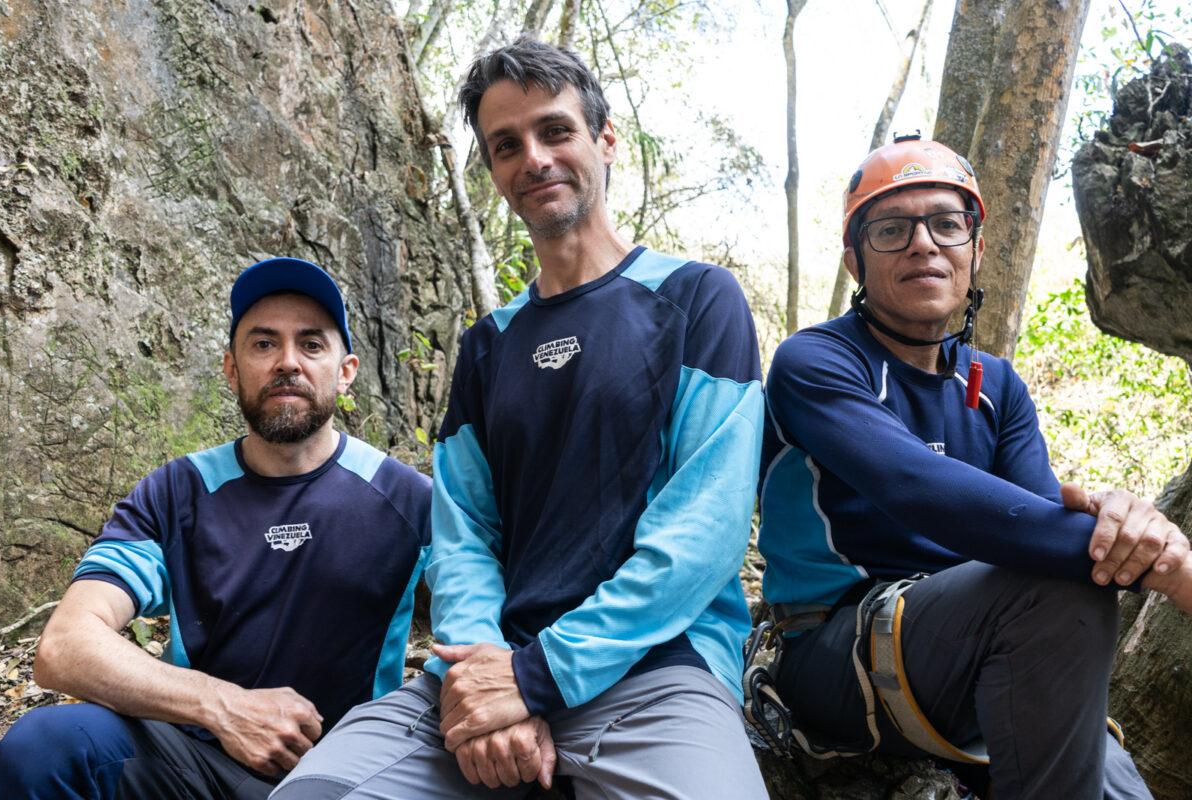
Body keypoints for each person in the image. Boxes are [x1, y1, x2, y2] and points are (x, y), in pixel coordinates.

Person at [271, 36, 768, 799]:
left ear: (605, 139)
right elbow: (463, 531)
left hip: (657, 673)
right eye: (506, 145)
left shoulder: (698, 300)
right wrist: (483, 678)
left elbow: (704, 530)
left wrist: (538, 679)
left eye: (555, 131)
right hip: (486, 672)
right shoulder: (488, 346)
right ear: (495, 171)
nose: (533, 158)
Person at [751, 132, 1192, 799]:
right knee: (1062, 587)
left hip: (972, 644)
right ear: (854, 260)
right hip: (828, 648)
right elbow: (920, 490)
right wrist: (1168, 565)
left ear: (975, 249)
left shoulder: (996, 385)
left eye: (946, 224)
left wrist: (1124, 524)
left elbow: (1039, 524)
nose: (924, 243)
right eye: (892, 229)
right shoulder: (817, 362)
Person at [0, 257, 432, 800]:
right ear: (231, 369)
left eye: (312, 344)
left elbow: (491, 622)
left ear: (346, 371)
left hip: (346, 769)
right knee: (45, 746)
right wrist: (224, 706)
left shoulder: (409, 499)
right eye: (264, 344)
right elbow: (65, 646)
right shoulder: (176, 493)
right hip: (192, 761)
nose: (288, 362)